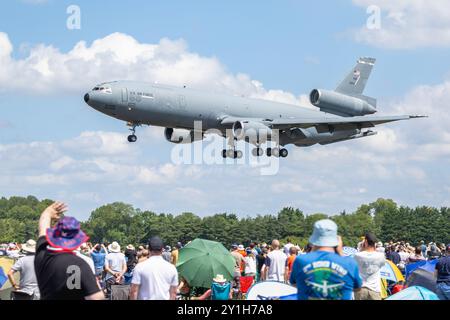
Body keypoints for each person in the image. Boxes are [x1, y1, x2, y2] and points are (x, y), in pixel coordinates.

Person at [34, 202, 104, 300]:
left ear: (54, 235)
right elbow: (97, 298)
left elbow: (42, 230)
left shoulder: (42, 253)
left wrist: (48, 212)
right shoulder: (79, 263)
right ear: (75, 240)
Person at [290, 219, 362, 300]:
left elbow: (294, 283)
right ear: (337, 241)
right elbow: (357, 288)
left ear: (314, 239)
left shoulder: (301, 260)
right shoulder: (350, 263)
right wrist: (341, 253)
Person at [353, 233, 386, 300]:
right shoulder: (381, 256)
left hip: (360, 289)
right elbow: (382, 264)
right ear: (375, 244)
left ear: (365, 242)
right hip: (375, 290)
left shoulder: (357, 255)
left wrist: (361, 249)